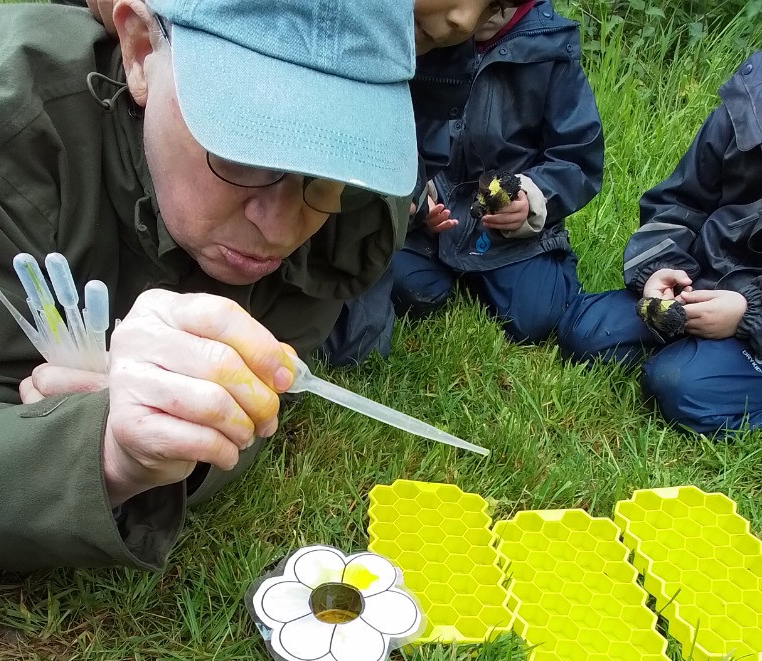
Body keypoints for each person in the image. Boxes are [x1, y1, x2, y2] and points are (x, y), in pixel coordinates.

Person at [0, 0, 418, 573]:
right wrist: (94, 453)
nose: (280, 225)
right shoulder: (11, 139)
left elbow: (269, 385)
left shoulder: (352, 214)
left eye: (326, 171)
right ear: (142, 51)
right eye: (242, 151)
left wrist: (164, 437)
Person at [557, 52, 762, 435]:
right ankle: (701, 353)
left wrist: (746, 315)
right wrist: (660, 269)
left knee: (679, 385)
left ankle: (711, 365)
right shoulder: (747, 105)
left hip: (750, 315)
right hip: (700, 288)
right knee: (584, 331)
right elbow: (680, 201)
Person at [391, 0, 603, 345]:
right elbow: (396, 129)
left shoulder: (550, 46)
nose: (469, 20)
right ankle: (440, 265)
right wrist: (417, 196)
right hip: (429, 223)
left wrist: (532, 198)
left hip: (506, 227)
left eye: (496, 8)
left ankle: (524, 268)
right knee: (408, 289)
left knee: (537, 319)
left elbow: (578, 157)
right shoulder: (424, 29)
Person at [321, 0, 516, 365]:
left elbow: (423, 151)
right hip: (277, 196)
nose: (465, 20)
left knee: (358, 349)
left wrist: (410, 194)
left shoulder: (449, 57)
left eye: (494, 7)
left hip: (362, 219)